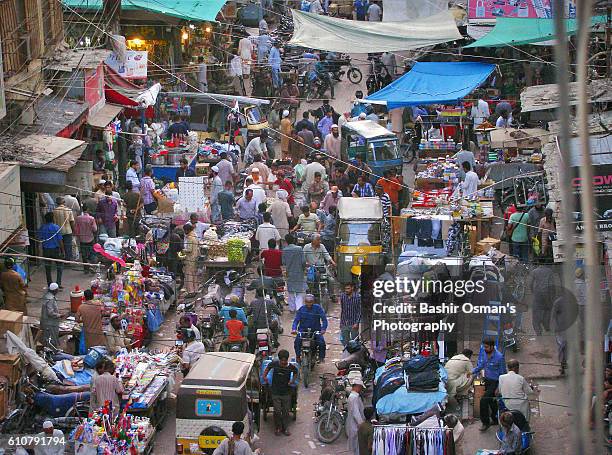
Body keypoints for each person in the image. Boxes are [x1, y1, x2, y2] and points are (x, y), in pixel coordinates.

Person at [473, 339, 507, 431]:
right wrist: (472, 372)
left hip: (495, 382)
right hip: (487, 380)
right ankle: (495, 419)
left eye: (487, 347)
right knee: (491, 401)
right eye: (484, 346)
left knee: (483, 400)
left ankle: (485, 423)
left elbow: (503, 373)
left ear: (492, 346)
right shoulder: (484, 353)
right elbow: (481, 365)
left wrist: (498, 388)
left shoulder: (499, 357)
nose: (485, 348)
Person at [262, 349, 298, 436]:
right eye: (282, 361)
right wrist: (264, 376)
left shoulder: (291, 367)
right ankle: (278, 427)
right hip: (275, 392)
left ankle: (285, 428)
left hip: (286, 393)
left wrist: (292, 381)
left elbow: (296, 372)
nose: (283, 363)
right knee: (277, 411)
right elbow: (267, 368)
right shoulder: (274, 364)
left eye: (285, 361)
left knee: (286, 412)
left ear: (287, 360)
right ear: (279, 359)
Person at [292, 294, 328, 362]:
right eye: (307, 302)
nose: (309, 303)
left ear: (313, 301)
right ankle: (298, 356)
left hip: (315, 330)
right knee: (297, 341)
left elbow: (324, 319)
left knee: (321, 342)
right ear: (305, 302)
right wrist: (294, 329)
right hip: (303, 330)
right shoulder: (301, 309)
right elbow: (296, 321)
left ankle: (321, 357)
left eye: (310, 301)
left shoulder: (318, 308)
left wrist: (323, 329)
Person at [527, 262, 559, 336]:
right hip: (547, 293)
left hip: (538, 293)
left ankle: (538, 331)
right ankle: (547, 327)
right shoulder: (549, 271)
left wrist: (532, 291)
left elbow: (530, 283)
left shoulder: (534, 271)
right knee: (547, 310)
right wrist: (553, 295)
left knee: (536, 312)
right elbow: (552, 284)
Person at [39, 212, 64, 288]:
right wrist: (63, 250)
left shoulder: (42, 228)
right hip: (55, 250)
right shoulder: (56, 227)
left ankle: (50, 284)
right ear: (52, 218)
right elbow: (60, 241)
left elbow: (40, 238)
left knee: (48, 268)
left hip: (46, 250)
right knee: (59, 266)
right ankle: (58, 283)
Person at [282, 234, 307, 312]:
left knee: (291, 291)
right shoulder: (299, 249)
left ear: (286, 241)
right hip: (299, 272)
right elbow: (303, 261)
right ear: (293, 240)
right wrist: (304, 269)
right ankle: (299, 308)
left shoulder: (285, 250)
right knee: (299, 291)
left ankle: (292, 308)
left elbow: (284, 262)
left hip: (290, 273)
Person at [75, 207, 98, 272]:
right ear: (88, 210)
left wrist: (78, 236)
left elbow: (76, 230)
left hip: (82, 239)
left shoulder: (78, 218)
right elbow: (95, 229)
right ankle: (92, 266)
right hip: (90, 238)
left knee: (84, 254)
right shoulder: (91, 218)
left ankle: (86, 269)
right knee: (92, 253)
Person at [346, 378, 365, 455]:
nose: (361, 389)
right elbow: (356, 413)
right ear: (357, 386)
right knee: (357, 446)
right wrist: (361, 424)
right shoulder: (354, 397)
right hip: (355, 426)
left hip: (353, 424)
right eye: (360, 387)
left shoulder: (353, 396)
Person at [53, 197, 75, 263]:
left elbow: (54, 222)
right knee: (68, 246)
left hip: (58, 231)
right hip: (68, 231)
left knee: (60, 246)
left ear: (57, 203)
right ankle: (67, 261)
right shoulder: (68, 210)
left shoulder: (54, 211)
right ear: (64, 202)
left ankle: (61, 259)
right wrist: (73, 230)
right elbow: (72, 221)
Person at [182, 224, 199, 296]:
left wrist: (182, 250)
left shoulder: (190, 238)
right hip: (195, 257)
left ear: (187, 230)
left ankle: (191, 292)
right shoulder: (195, 235)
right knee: (194, 274)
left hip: (190, 258)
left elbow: (189, 249)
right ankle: (195, 289)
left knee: (189, 275)